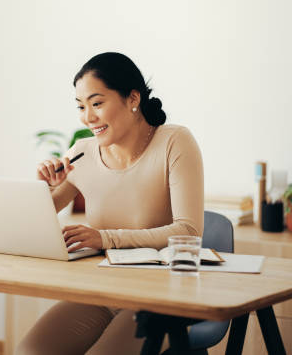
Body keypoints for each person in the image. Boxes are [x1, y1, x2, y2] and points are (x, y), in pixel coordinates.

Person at [16, 52, 204, 355]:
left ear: (132, 98)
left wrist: (105, 238)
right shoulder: (83, 152)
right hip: (102, 291)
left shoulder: (174, 142)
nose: (87, 117)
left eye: (97, 103)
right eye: (80, 106)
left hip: (162, 298)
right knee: (30, 352)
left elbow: (190, 231)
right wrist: (43, 187)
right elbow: (35, 219)